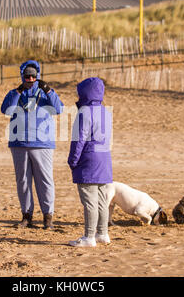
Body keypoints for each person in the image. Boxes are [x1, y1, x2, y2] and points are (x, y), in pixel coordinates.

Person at [1, 60, 63, 229]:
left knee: (45, 180)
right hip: (19, 143)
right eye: (27, 76)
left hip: (42, 143)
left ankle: (48, 216)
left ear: (38, 77)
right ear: (22, 76)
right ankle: (26, 215)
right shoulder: (15, 93)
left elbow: (58, 109)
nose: (30, 79)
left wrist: (48, 90)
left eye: (33, 76)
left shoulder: (45, 93)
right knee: (23, 181)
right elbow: (6, 110)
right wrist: (17, 92)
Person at [67, 77, 113, 247]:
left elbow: (79, 140)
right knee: (102, 200)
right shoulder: (105, 112)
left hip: (88, 160)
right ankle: (103, 233)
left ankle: (89, 237)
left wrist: (73, 160)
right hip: (105, 160)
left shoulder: (84, 112)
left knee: (89, 201)